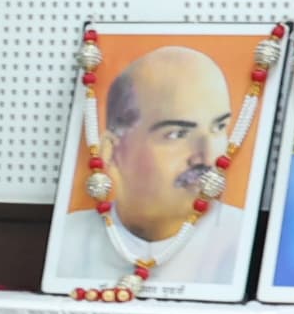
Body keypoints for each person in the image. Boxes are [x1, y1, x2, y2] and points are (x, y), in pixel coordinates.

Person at [44, 42, 253, 295]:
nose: (209, 157)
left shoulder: (239, 240)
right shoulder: (68, 244)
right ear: (112, 149)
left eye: (219, 128)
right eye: (177, 134)